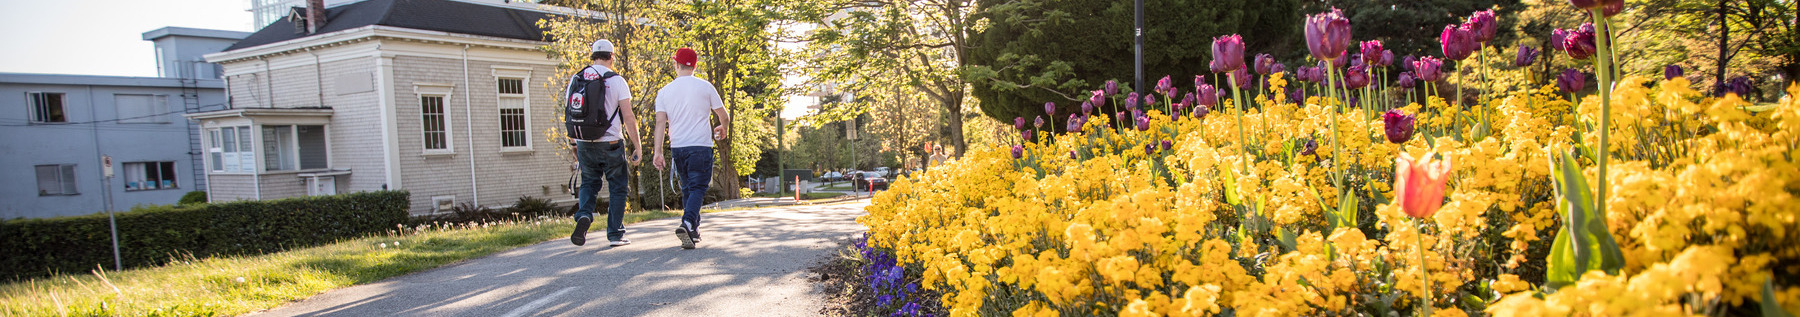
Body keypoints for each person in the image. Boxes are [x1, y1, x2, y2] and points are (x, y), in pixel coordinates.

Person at [652, 47, 731, 249]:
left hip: (678, 147)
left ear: (676, 65)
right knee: (698, 188)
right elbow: (724, 115)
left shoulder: (664, 92)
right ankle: (687, 222)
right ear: (695, 66)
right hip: (701, 146)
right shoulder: (705, 87)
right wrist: (723, 127)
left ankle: (693, 230)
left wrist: (658, 152)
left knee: (688, 187)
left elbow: (660, 123)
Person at [567, 39, 642, 247]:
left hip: (584, 142)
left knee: (589, 182)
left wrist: (574, 144)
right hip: (610, 143)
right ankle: (615, 234)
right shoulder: (616, 80)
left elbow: (570, 115)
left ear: (593, 56)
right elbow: (628, 117)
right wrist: (637, 146)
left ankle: (583, 214)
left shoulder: (577, 78)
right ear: (612, 57)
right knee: (618, 187)